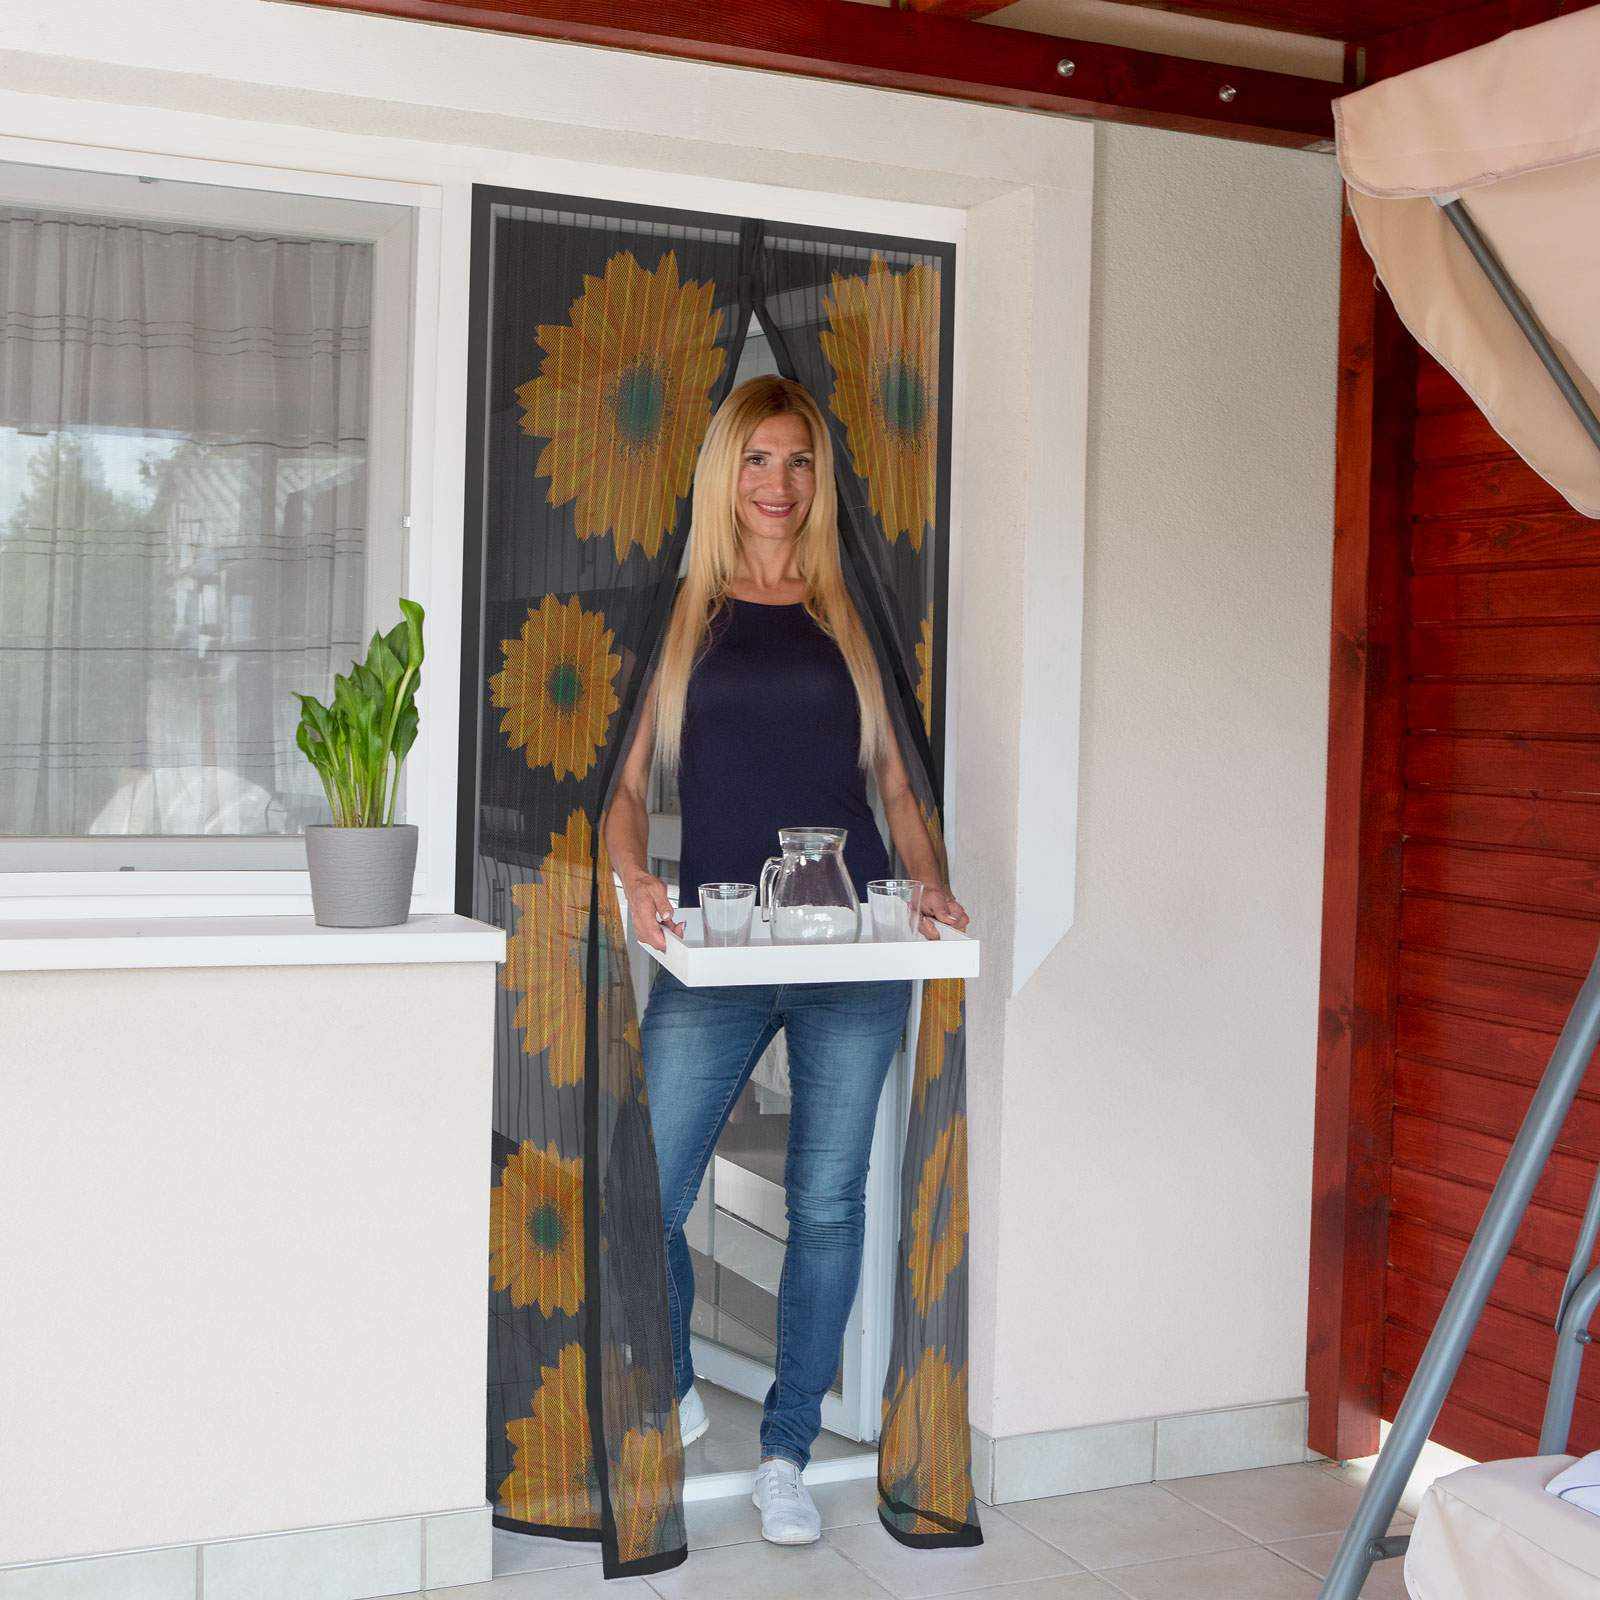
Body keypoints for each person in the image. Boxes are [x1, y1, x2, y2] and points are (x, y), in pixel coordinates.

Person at [603, 375, 968, 1546]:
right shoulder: (681, 615)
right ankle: (670, 1388)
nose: (779, 482)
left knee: (826, 1200)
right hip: (716, 948)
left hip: (849, 942)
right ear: (726, 472)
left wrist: (929, 880)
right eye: (758, 459)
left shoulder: (849, 614)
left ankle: (786, 1450)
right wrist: (634, 877)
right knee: (644, 1191)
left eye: (799, 461)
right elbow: (620, 790)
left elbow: (898, 791)